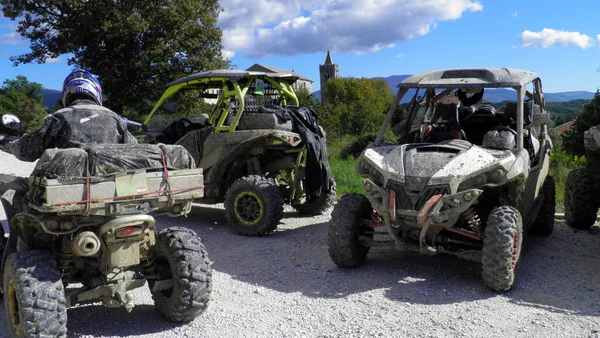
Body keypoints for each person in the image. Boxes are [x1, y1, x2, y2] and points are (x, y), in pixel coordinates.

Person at [0, 70, 137, 246]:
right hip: (111, 195)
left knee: (6, 183)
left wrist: (8, 142)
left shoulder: (57, 118)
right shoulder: (116, 119)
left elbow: (25, 151)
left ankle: (20, 243)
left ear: (68, 93)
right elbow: (134, 153)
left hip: (64, 197)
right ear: (96, 92)